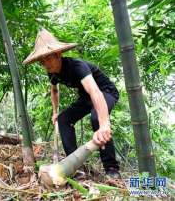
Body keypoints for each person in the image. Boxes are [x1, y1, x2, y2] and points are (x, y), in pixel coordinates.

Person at [23, 28, 121, 179]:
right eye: (42, 62)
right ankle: (75, 167)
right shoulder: (52, 73)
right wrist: (55, 112)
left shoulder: (77, 67)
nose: (45, 64)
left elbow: (95, 92)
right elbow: (54, 90)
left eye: (48, 59)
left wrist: (105, 124)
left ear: (58, 55)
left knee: (97, 119)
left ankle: (112, 169)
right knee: (63, 119)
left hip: (105, 92)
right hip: (86, 97)